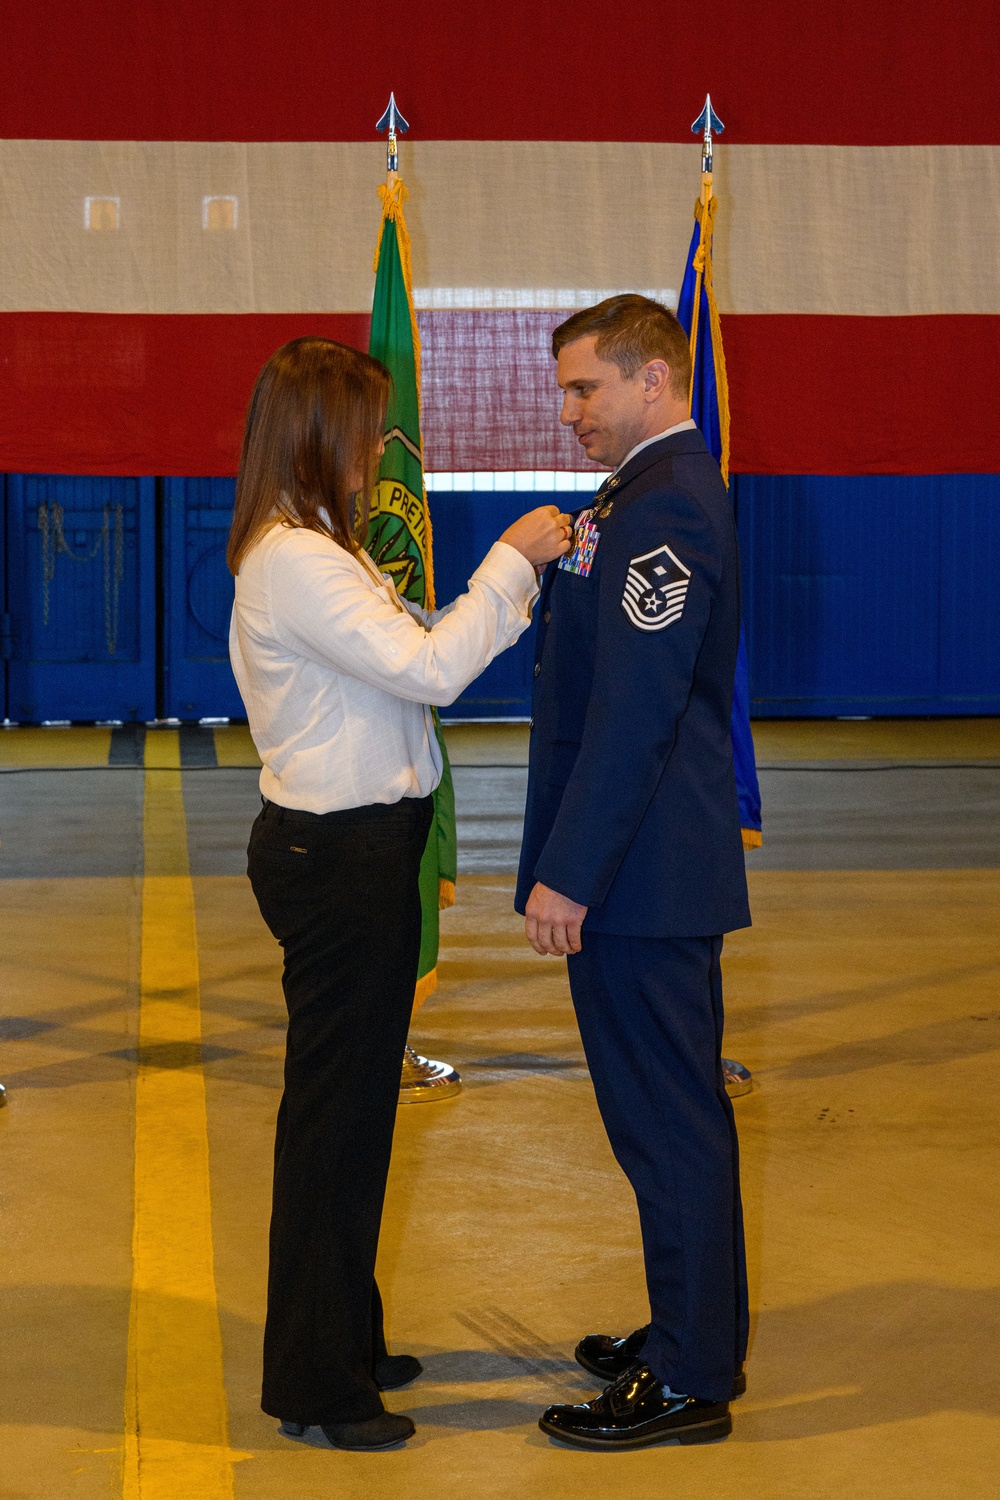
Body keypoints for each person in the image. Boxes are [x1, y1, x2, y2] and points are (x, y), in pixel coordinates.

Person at [227, 336, 571, 1453]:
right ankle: (318, 1385)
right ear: (322, 435)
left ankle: (344, 1336)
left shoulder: (315, 544)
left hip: (357, 852)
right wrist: (510, 565)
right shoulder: (299, 560)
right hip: (341, 864)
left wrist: (471, 606)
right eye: (369, 430)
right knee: (336, 1127)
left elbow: (401, 652)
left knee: (356, 1115)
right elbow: (427, 672)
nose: (385, 449)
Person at [514, 295, 751, 1450]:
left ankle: (693, 1375)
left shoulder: (667, 511)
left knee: (667, 1123)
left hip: (642, 873)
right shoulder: (634, 499)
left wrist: (570, 872)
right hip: (637, 867)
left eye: (584, 389)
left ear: (653, 378)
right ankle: (682, 1329)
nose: (569, 413)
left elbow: (634, 714)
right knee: (655, 1118)